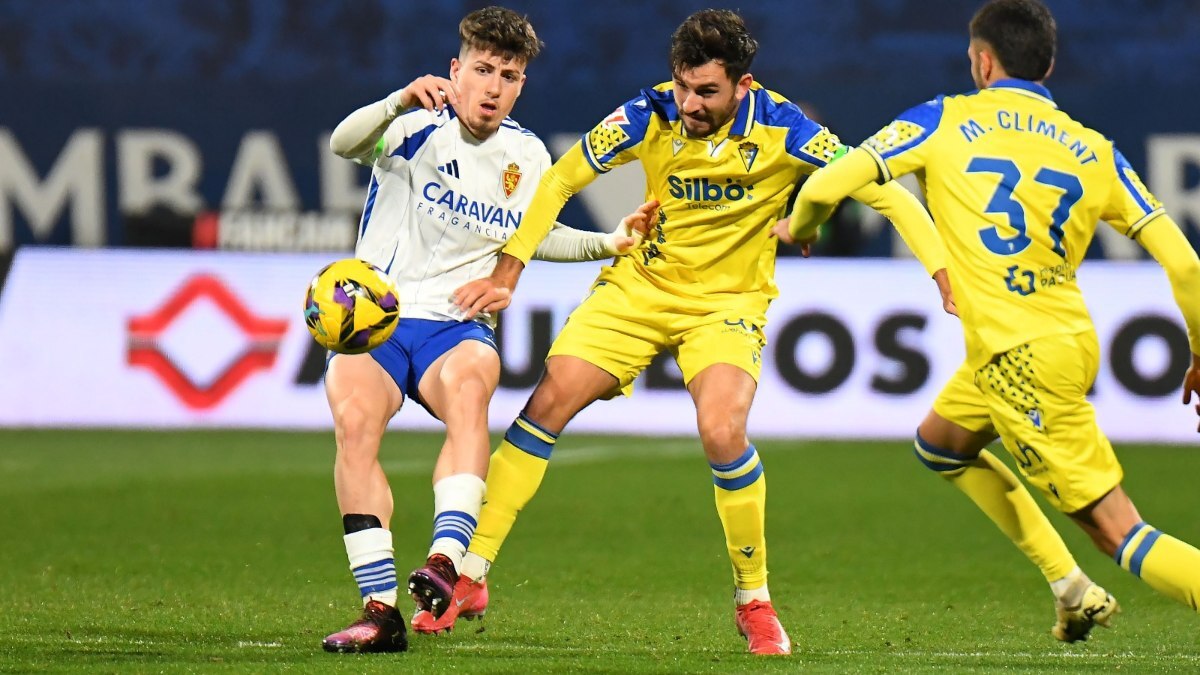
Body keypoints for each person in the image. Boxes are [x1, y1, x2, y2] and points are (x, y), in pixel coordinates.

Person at [419, 9, 952, 655]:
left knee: (723, 429)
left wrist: (942, 273)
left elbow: (886, 191)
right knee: (544, 408)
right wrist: (511, 268)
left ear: (742, 85)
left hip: (725, 306)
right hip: (639, 288)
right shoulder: (649, 113)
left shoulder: (786, 129)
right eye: (682, 87)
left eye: (707, 92)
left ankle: (753, 599)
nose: (691, 105)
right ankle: (470, 576)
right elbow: (562, 179)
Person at [779, 0, 1200, 640]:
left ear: (981, 60)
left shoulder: (943, 119)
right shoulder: (1095, 150)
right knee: (941, 445)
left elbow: (825, 186)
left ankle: (1093, 579)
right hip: (1061, 339)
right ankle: (1070, 587)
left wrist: (799, 227)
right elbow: (1187, 265)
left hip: (1018, 358)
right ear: (1048, 63)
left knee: (1121, 532)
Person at [319, 6, 657, 653]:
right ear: (456, 69)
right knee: (355, 424)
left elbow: (539, 234)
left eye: (509, 73)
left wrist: (609, 240)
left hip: (458, 327)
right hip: (381, 320)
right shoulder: (413, 126)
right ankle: (380, 610)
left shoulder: (527, 154)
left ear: (522, 83)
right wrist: (394, 101)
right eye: (482, 69)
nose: (493, 85)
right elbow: (342, 143)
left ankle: (445, 563)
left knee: (472, 391)